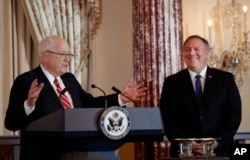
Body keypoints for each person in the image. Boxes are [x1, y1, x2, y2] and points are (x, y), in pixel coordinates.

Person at [4, 35, 147, 160]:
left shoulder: (69, 79)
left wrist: (120, 98)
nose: (68, 59)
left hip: (79, 153)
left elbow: (89, 104)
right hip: (44, 155)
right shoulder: (26, 81)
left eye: (69, 55)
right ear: (45, 56)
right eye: (63, 54)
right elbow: (11, 123)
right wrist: (28, 104)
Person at [160, 35, 241, 157]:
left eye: (196, 49)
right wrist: (186, 142)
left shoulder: (225, 80)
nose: (191, 53)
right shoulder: (172, 82)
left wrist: (216, 141)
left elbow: (234, 115)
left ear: (207, 53)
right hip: (184, 153)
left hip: (219, 153)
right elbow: (167, 117)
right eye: (187, 49)